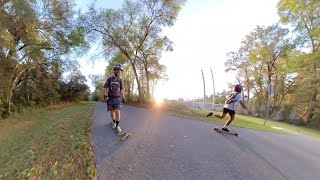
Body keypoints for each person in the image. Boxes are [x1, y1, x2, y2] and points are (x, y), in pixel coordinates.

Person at [103, 64, 126, 133]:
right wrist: (105, 93)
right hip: (110, 98)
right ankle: (114, 122)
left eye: (120, 71)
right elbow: (105, 87)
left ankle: (117, 126)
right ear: (114, 70)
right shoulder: (109, 79)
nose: (119, 72)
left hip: (118, 98)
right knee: (112, 113)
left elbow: (122, 89)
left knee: (117, 112)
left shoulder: (120, 80)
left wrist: (123, 97)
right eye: (118, 70)